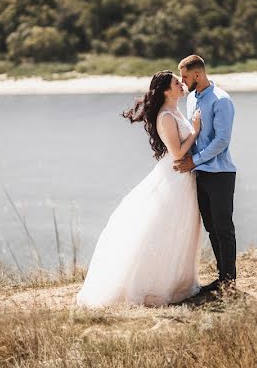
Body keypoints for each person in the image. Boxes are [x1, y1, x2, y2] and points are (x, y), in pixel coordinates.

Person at [76, 70, 204, 307]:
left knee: (182, 228)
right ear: (167, 90)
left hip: (186, 178)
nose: (181, 84)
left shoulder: (176, 110)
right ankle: (153, 286)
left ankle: (179, 282)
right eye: (176, 82)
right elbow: (176, 153)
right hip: (174, 179)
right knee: (165, 228)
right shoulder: (166, 116)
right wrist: (195, 131)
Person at [175, 55, 238, 293]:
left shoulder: (221, 100)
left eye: (185, 76)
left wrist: (193, 161)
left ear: (198, 75)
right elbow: (195, 134)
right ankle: (222, 279)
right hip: (199, 173)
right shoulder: (192, 98)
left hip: (220, 173)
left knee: (224, 228)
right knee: (211, 227)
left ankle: (230, 283)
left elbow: (222, 140)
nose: (182, 81)